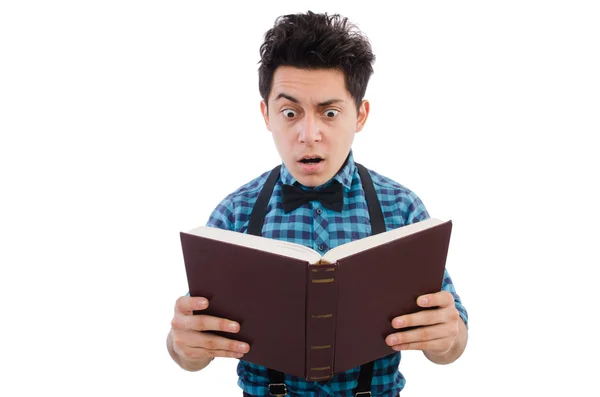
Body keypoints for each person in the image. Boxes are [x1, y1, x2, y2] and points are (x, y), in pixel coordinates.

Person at [167, 11, 468, 397]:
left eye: (329, 112)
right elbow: (190, 348)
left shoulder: (404, 209)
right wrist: (183, 346)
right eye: (290, 113)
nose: (309, 135)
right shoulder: (233, 214)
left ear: (359, 115)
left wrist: (446, 337)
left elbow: (453, 344)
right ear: (267, 114)